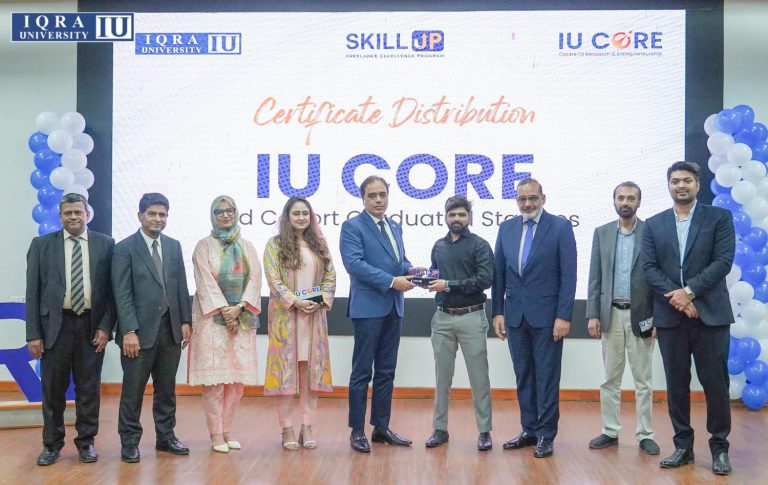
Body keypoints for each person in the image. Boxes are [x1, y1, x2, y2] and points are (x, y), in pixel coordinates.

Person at [641, 161, 735, 475]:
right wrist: (679, 299)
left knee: (716, 384)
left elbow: (723, 261)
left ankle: (719, 447)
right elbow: (649, 269)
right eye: (675, 181)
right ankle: (683, 446)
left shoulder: (719, 218)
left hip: (711, 317)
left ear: (697, 184)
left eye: (687, 180)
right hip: (671, 318)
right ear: (668, 185)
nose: (681, 185)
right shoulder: (653, 224)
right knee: (676, 384)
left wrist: (690, 292)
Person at [25, 193, 115, 466]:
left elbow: (112, 292)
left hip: (91, 326)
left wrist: (105, 326)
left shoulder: (106, 244)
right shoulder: (42, 245)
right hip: (55, 327)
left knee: (89, 389)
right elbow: (33, 292)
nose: (73, 217)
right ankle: (51, 445)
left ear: (87, 214)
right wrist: (33, 334)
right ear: (60, 216)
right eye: (68, 213)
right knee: (53, 390)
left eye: (78, 212)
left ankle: (86, 443)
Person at [491, 178, 577, 458]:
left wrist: (564, 315)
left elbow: (569, 275)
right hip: (515, 316)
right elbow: (499, 274)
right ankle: (528, 429)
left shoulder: (560, 227)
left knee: (547, 377)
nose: (527, 204)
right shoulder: (506, 228)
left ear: (543, 198)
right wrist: (498, 312)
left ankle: (546, 434)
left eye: (532, 198)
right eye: (522, 199)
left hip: (549, 318)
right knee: (523, 375)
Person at [112, 192, 193, 463]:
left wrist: (185, 321)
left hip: (170, 330)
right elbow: (121, 293)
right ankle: (129, 442)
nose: (158, 219)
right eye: (152, 214)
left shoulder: (173, 246)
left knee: (166, 390)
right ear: (140, 216)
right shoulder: (124, 248)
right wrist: (128, 331)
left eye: (162, 214)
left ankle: (166, 437)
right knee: (133, 391)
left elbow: (180, 286)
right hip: (137, 334)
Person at [340, 175, 416, 453]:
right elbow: (354, 264)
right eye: (372, 195)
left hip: (394, 307)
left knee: (386, 372)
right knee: (362, 372)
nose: (378, 200)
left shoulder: (394, 226)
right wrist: (392, 281)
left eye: (382, 194)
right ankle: (357, 431)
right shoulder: (352, 226)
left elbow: (399, 262)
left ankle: (381, 427)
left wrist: (415, 272)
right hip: (368, 309)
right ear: (363, 198)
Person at [586, 182, 659, 455]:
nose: (625, 202)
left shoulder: (651, 232)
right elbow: (595, 277)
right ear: (614, 200)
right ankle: (610, 431)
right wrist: (593, 314)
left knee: (644, 381)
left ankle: (645, 434)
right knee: (610, 378)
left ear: (639, 202)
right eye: (621, 197)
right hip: (611, 314)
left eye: (630, 198)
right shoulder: (602, 233)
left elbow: (658, 278)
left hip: (643, 316)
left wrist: (657, 317)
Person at [188, 195, 262, 453]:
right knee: (215, 383)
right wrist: (224, 310)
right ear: (213, 215)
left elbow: (255, 280)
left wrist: (238, 308)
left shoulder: (247, 246)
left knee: (236, 384)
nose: (225, 215)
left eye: (229, 210)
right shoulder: (203, 246)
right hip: (212, 322)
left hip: (241, 320)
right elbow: (205, 282)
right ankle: (215, 434)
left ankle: (227, 430)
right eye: (219, 211)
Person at [263, 197, 336, 450]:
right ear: (287, 217)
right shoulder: (274, 245)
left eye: (305, 213)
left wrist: (320, 300)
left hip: (314, 318)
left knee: (310, 374)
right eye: (296, 213)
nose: (301, 217)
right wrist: (295, 301)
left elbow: (330, 276)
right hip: (286, 319)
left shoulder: (320, 245)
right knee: (285, 375)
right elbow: (274, 280)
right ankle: (287, 428)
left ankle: (307, 426)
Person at [424, 195, 494, 451]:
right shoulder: (438, 246)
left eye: (461, 214)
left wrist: (448, 284)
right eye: (452, 214)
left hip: (472, 317)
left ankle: (484, 431)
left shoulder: (480, 245)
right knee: (442, 379)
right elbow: (435, 275)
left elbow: (484, 280)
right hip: (442, 318)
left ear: (470, 218)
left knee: (479, 379)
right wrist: (423, 279)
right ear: (445, 217)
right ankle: (439, 429)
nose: (456, 219)